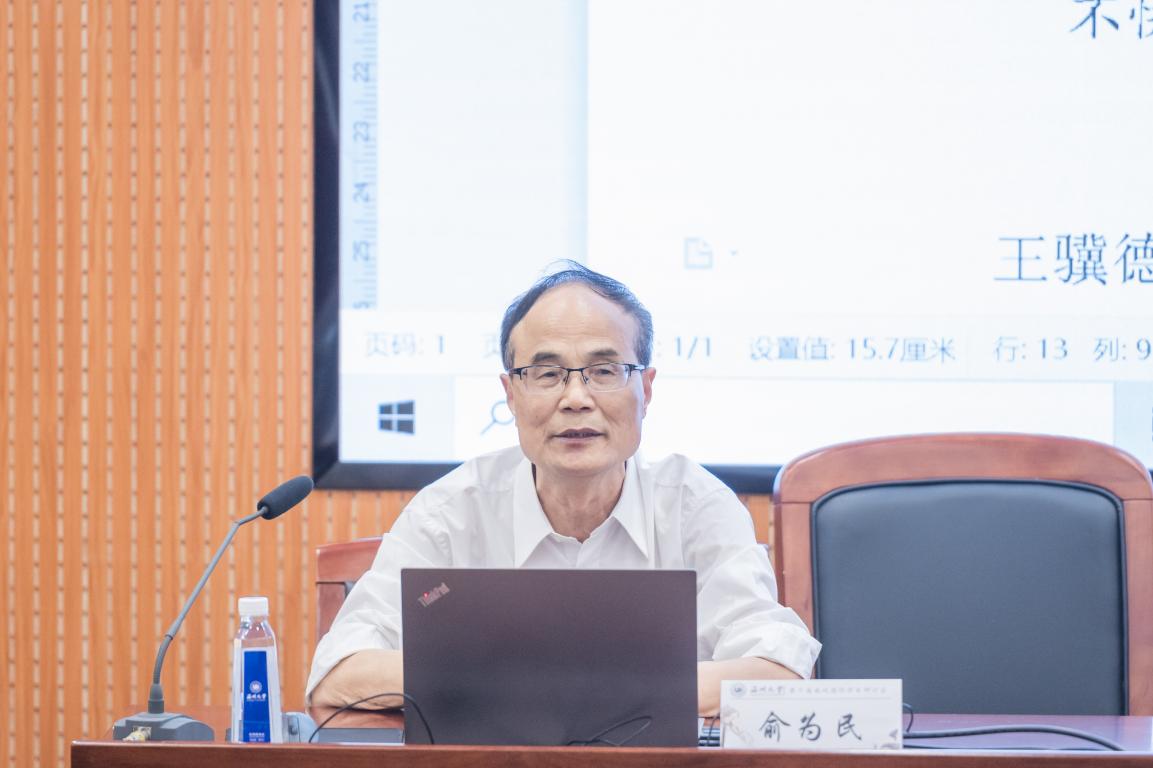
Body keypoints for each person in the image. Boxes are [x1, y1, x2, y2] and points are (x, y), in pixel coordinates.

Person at [307, 262, 820, 716]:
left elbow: (778, 670)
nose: (576, 398)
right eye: (547, 373)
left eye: (604, 371)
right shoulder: (449, 513)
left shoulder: (697, 506)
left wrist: (559, 688)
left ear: (646, 389)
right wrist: (554, 686)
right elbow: (339, 672)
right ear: (511, 394)